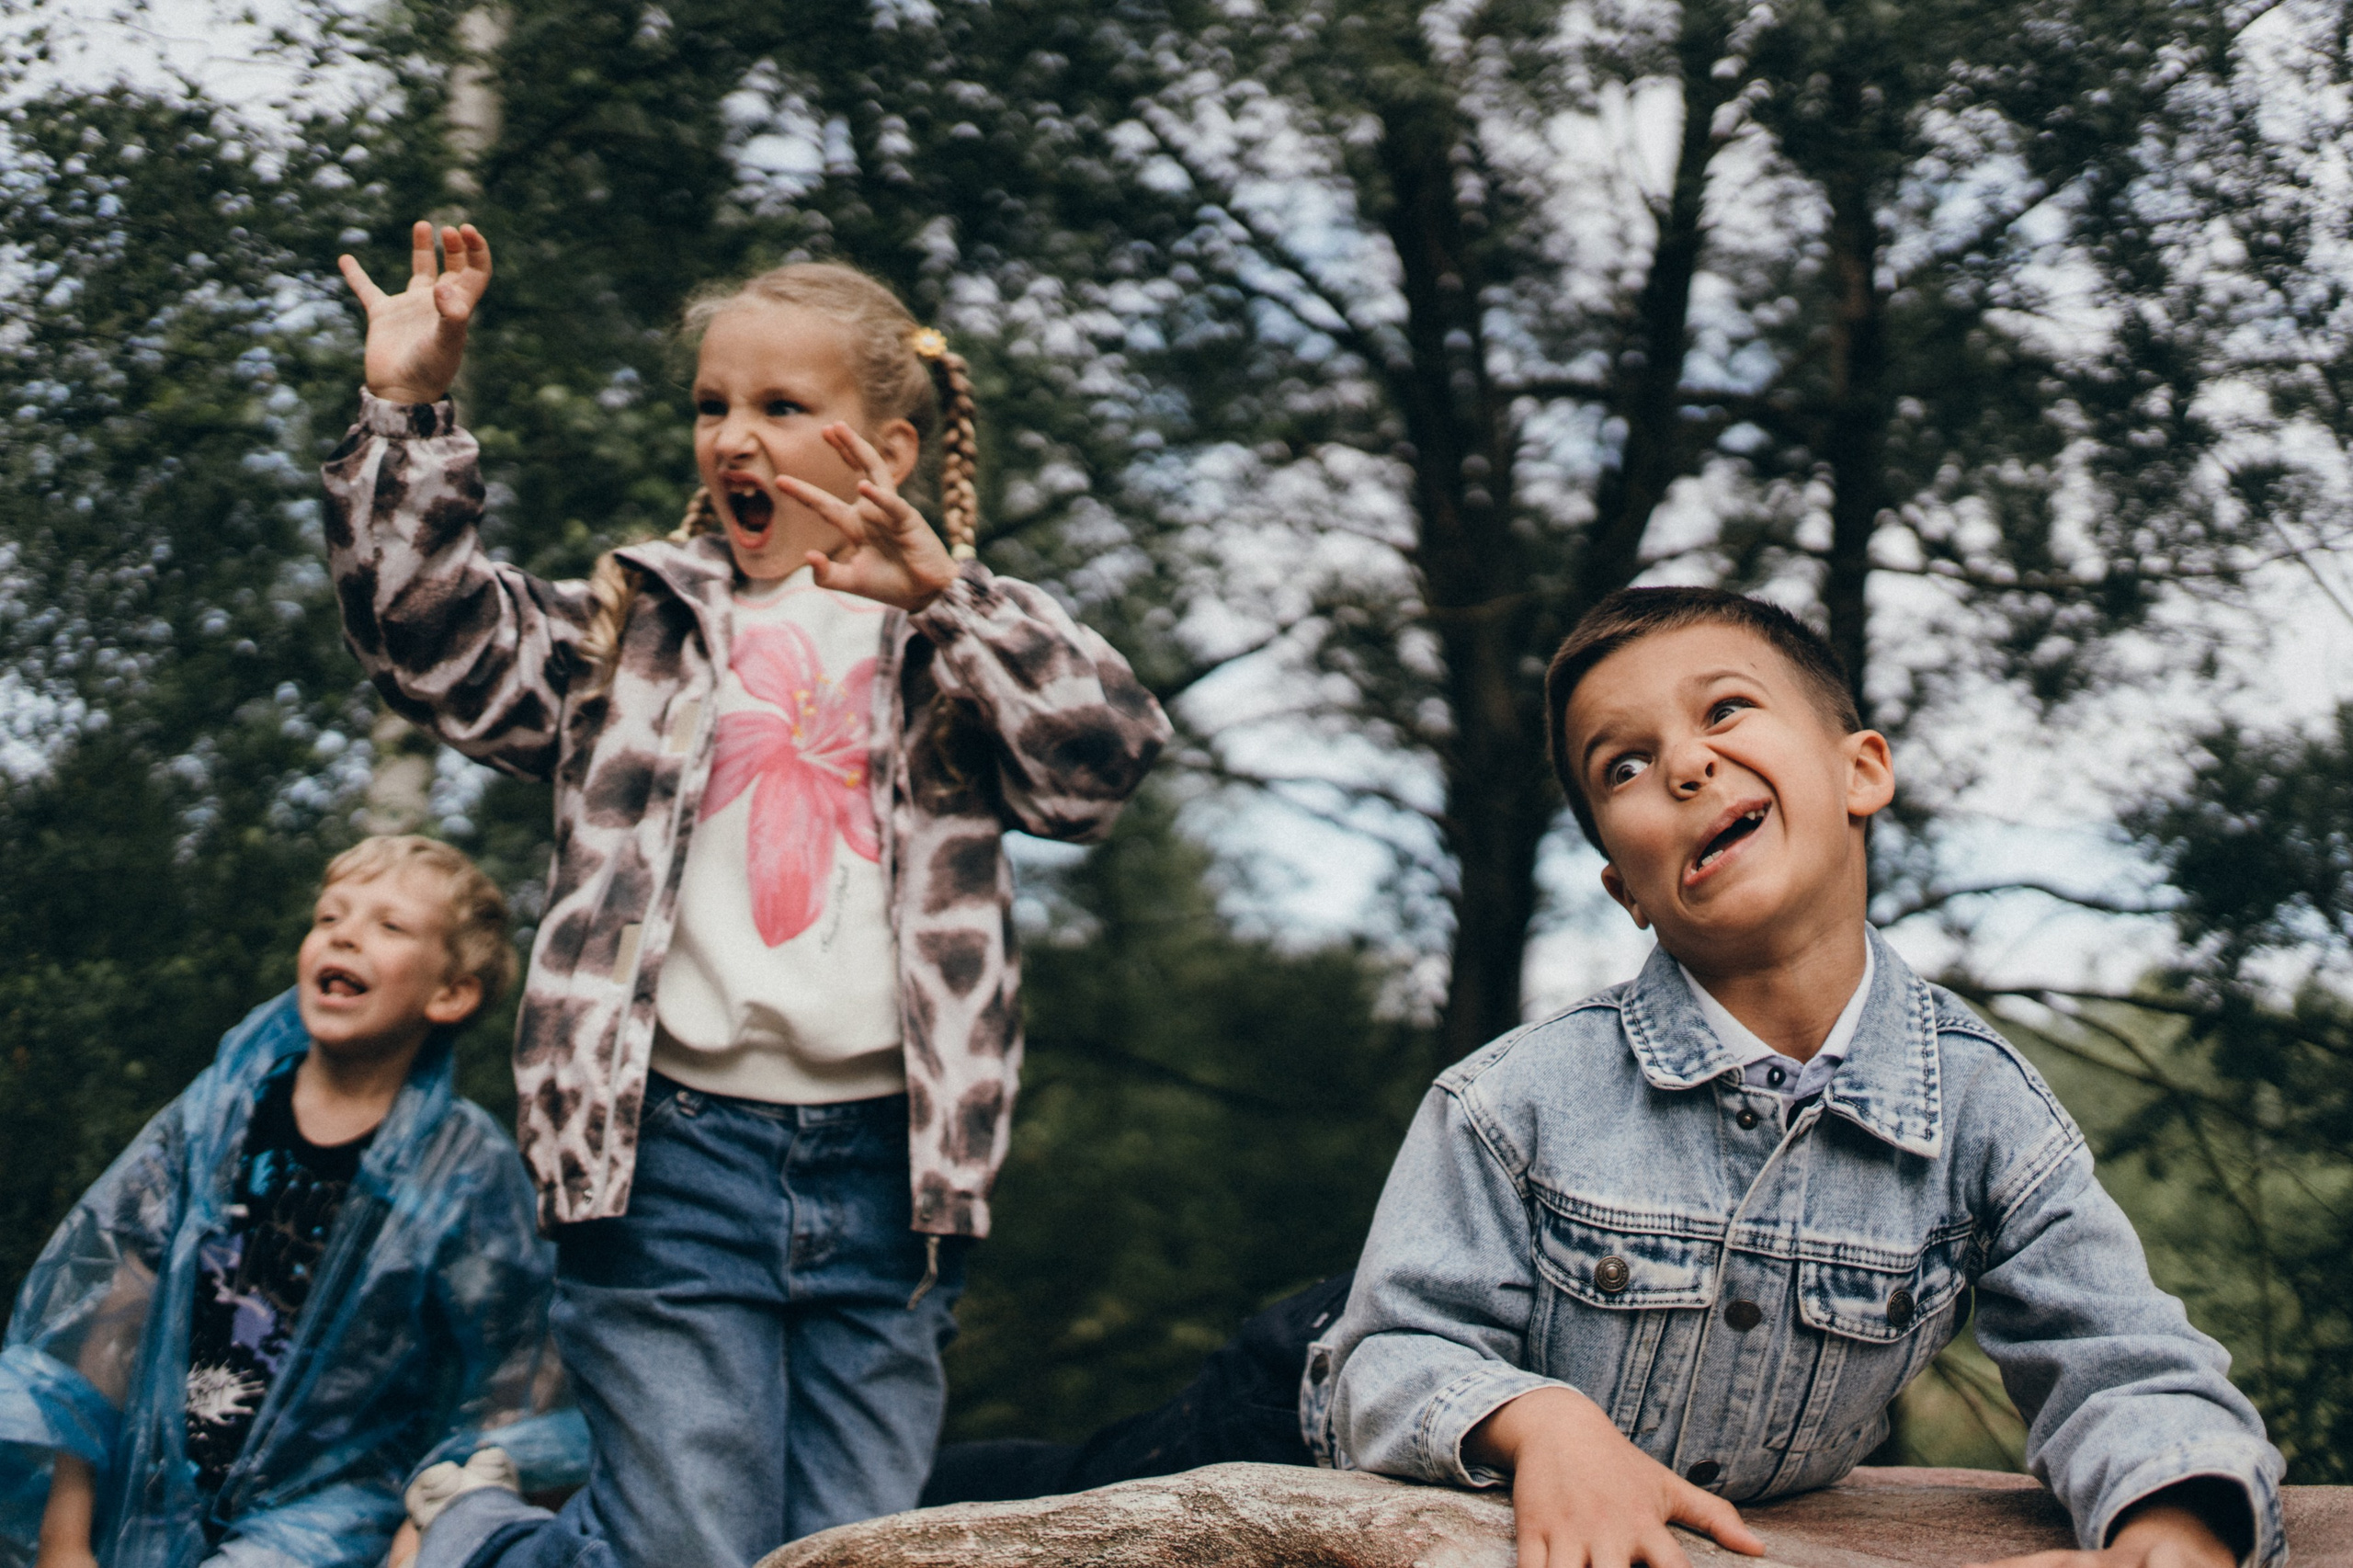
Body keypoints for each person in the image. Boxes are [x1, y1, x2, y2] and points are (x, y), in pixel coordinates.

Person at [933, 586, 2283, 1568]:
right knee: (1048, 1506)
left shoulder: (1986, 1114)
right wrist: (1545, 1423)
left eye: (1727, 713)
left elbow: (2125, 1361)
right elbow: (1394, 1354)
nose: (1684, 764)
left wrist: (2176, 1524)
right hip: (1322, 1404)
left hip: (1660, 1513)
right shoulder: (1511, 1099)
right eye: (1624, 766)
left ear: (1862, 769)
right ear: (1622, 884)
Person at [324, 222, 1170, 1568]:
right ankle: (476, 1532)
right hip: (671, 1158)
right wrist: (408, 408)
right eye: (714, 404)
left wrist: (953, 596)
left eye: (784, 405)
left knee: (852, 1554)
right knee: (691, 1548)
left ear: (884, 451)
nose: (734, 436)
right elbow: (422, 636)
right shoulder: (633, 625)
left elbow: (1103, 765)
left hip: (892, 1182)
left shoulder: (949, 650)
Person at [0, 836, 558, 1568]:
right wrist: (65, 1538)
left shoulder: (464, 1169)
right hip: (153, 1494)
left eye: (389, 927)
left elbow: (514, 1376)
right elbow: (110, 1312)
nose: (346, 934)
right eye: (329, 918)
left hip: (331, 1521)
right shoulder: (215, 1120)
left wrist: (427, 1529)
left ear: (450, 993)